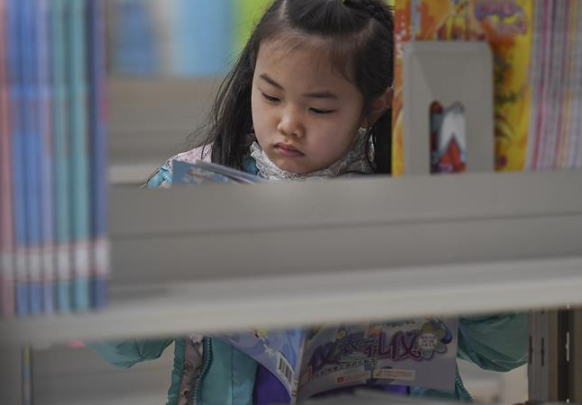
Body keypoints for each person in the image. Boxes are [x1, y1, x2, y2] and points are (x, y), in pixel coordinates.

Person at [92, 1, 528, 404]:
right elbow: (124, 348)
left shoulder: (416, 191)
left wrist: (469, 246)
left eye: (318, 109)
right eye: (270, 96)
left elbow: (503, 350)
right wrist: (141, 269)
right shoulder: (189, 188)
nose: (288, 124)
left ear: (375, 104)